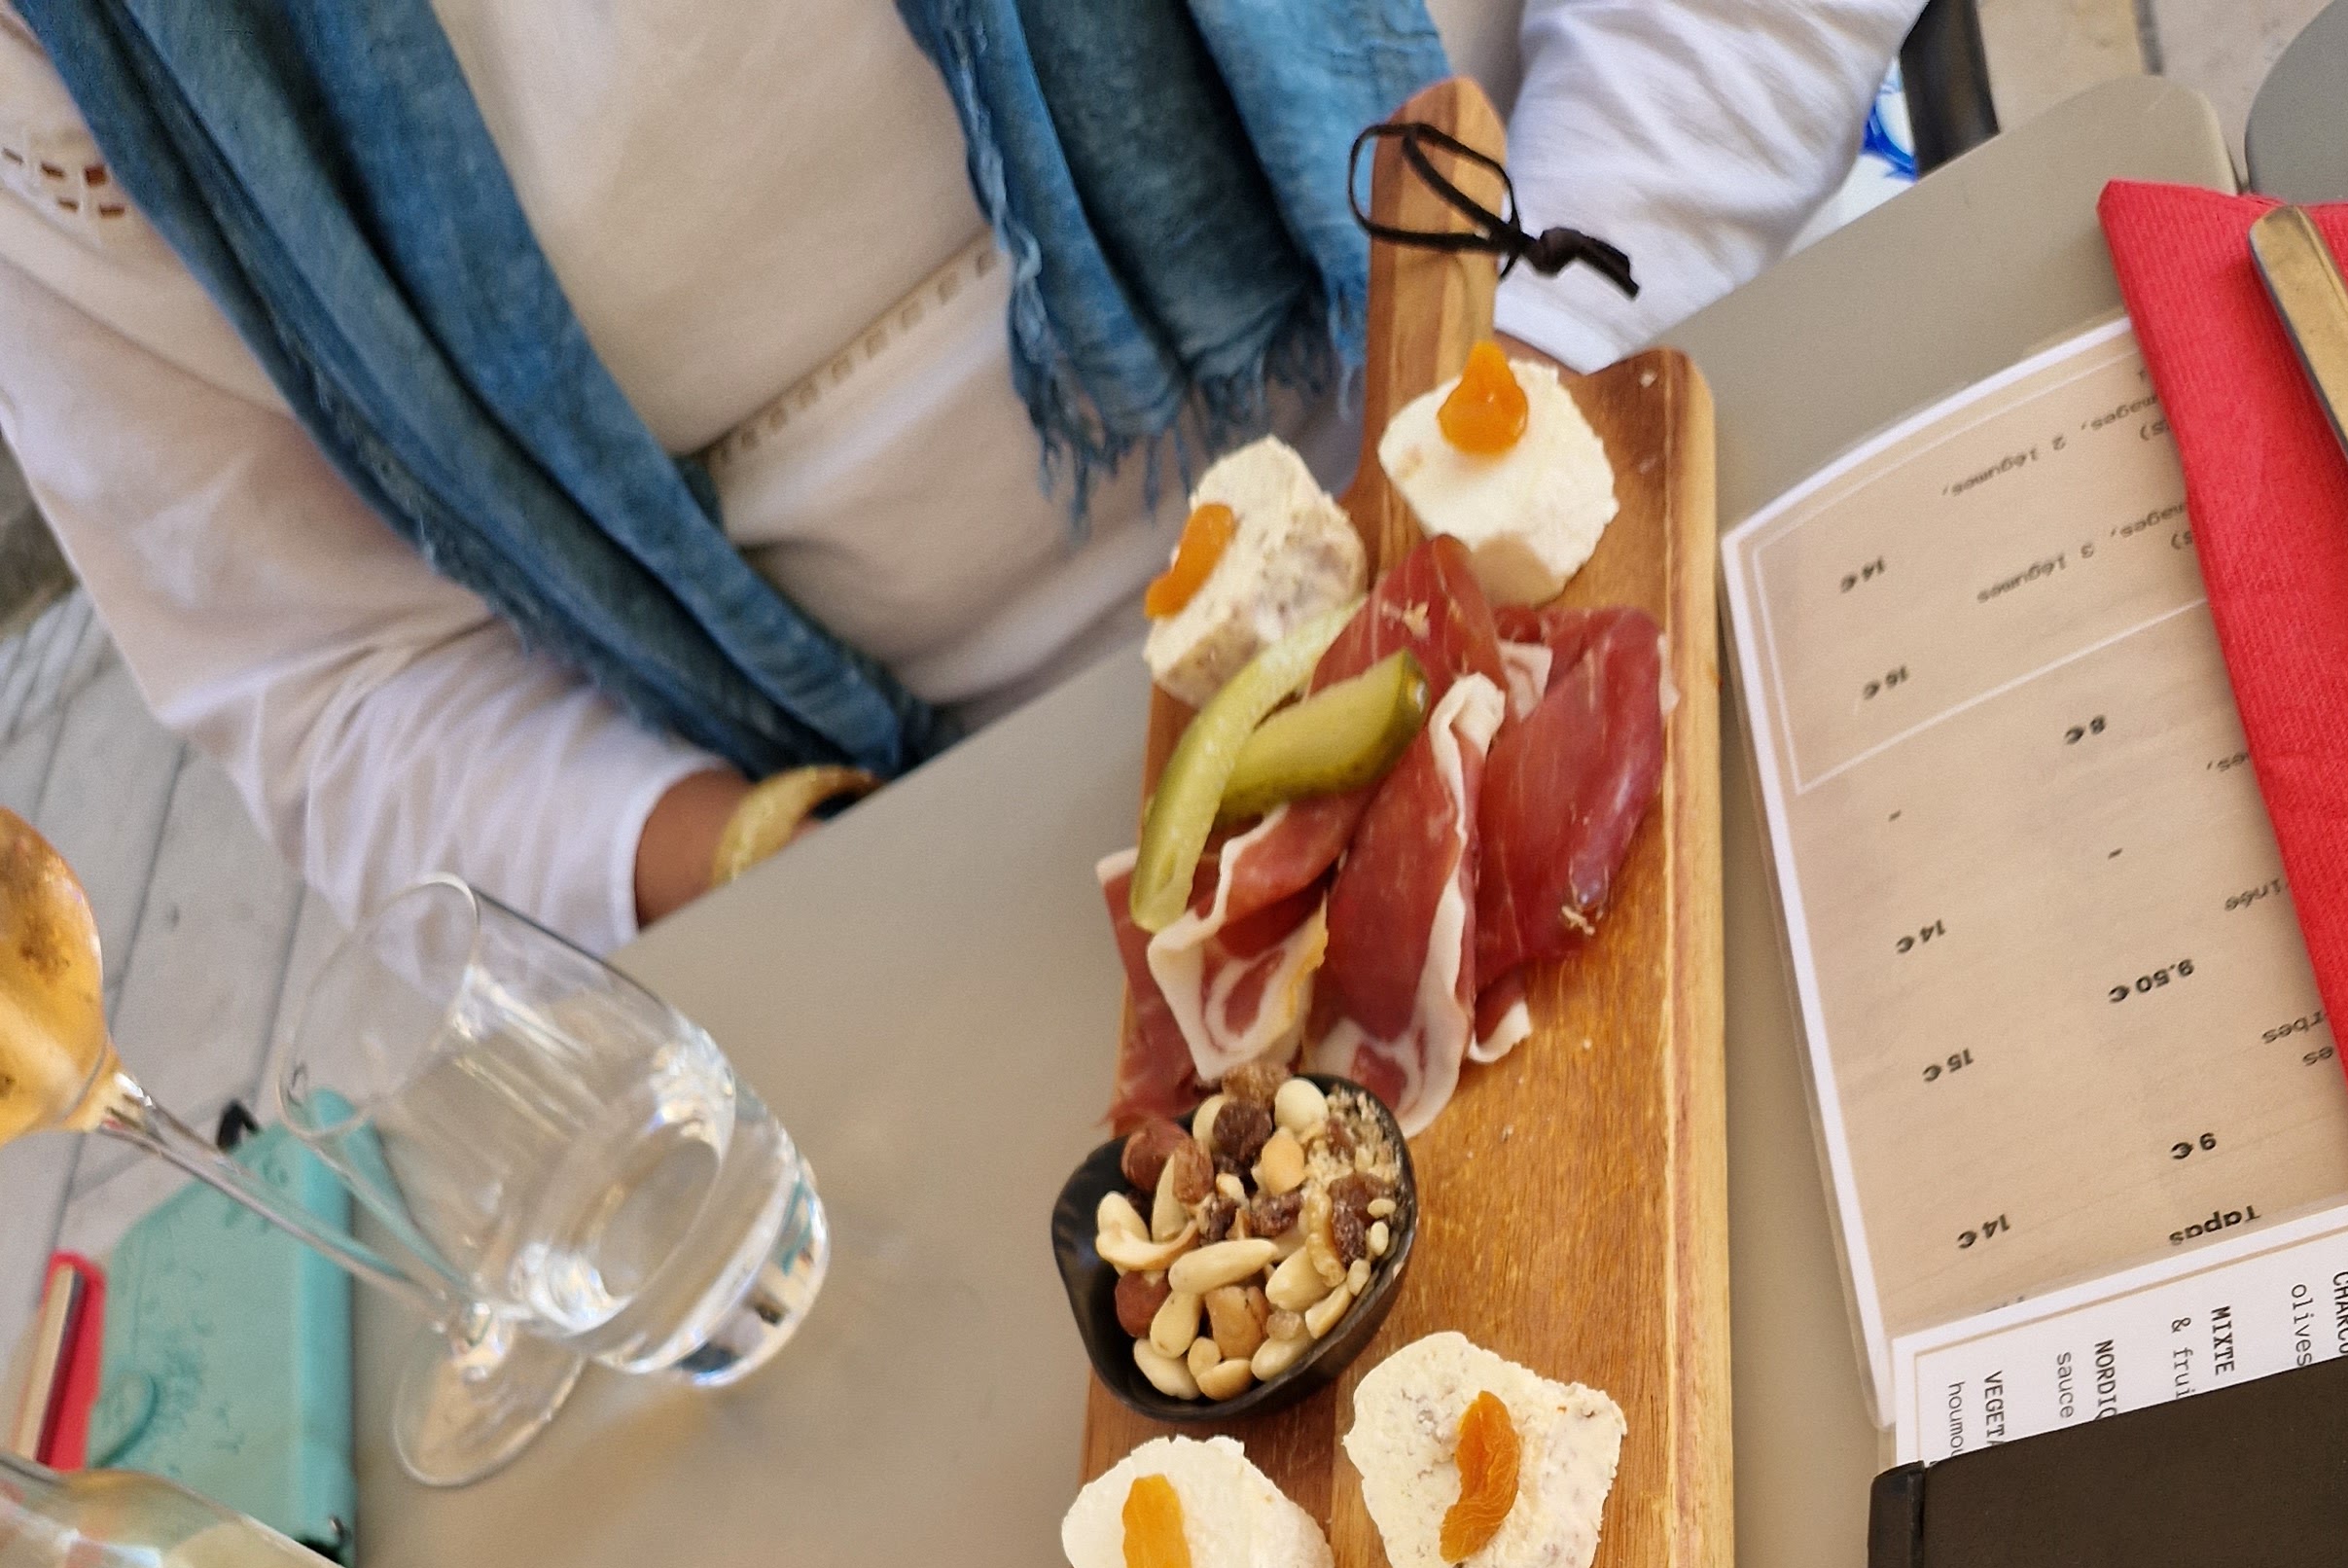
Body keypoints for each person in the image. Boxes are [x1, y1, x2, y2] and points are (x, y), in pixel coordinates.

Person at [0, 0, 1914, 954]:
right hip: (1002, 879)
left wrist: (1519, 454)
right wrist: (806, 880)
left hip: (1636, 359)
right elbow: (327, 676)